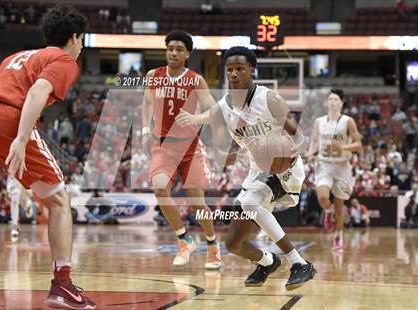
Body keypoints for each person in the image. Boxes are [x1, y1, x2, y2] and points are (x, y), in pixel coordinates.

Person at [0, 5, 95, 309]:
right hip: (8, 119)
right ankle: (62, 285)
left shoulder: (14, 57)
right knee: (58, 200)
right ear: (74, 37)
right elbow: (38, 91)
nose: (81, 47)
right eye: (82, 40)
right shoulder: (63, 59)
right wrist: (21, 138)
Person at [211, 46, 316, 290]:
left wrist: (284, 154)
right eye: (229, 69)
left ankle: (299, 263)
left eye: (240, 69)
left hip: (285, 168)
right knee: (234, 244)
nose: (234, 74)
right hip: (257, 171)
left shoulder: (270, 99)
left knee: (250, 203)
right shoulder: (223, 109)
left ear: (252, 71)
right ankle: (268, 262)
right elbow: (229, 151)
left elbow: (300, 139)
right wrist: (229, 156)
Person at [141, 30, 221, 269]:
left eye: (178, 50)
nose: (173, 53)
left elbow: (214, 111)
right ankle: (184, 240)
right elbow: (146, 104)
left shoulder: (195, 80)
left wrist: (197, 119)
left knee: (197, 203)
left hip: (190, 148)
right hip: (163, 146)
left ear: (187, 54)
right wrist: (145, 131)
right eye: (170, 49)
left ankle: (213, 245)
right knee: (159, 189)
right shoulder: (153, 76)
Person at [308, 89, 362, 251]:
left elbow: (359, 145)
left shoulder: (348, 121)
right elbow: (314, 140)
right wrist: (311, 154)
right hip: (324, 165)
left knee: (340, 208)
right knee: (323, 197)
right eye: (330, 99)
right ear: (327, 103)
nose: (332, 102)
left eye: (335, 99)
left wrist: (343, 147)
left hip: (342, 167)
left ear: (341, 103)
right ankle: (328, 211)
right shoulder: (319, 121)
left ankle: (338, 237)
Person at [7, 175, 21, 239]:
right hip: (13, 193)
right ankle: (14, 225)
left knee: (15, 209)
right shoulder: (10, 175)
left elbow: (16, 181)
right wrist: (9, 190)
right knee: (13, 210)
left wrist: (9, 188)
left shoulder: (16, 173)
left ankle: (15, 225)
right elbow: (9, 181)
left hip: (16, 192)